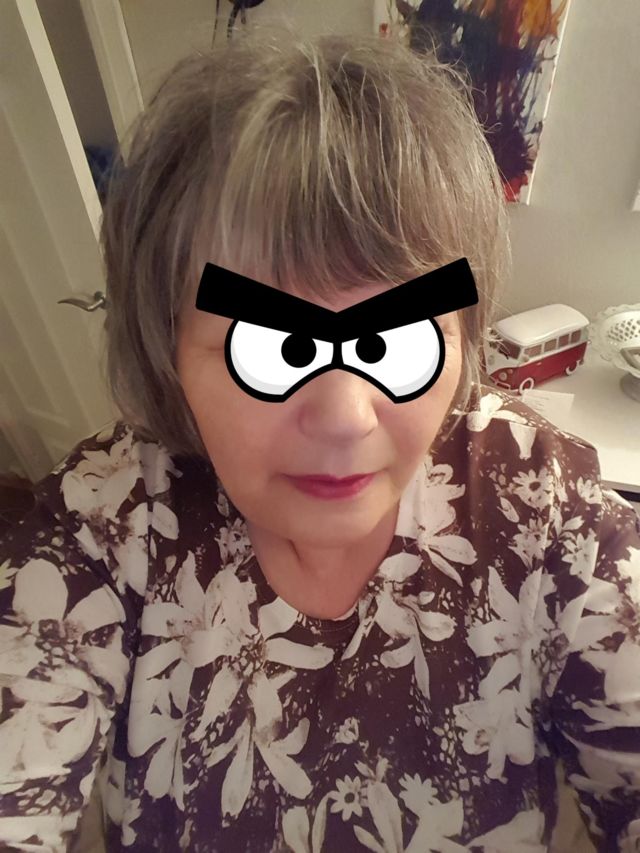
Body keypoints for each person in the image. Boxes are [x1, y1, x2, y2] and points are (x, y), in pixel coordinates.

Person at [1, 25, 639, 853]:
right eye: (274, 348)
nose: (345, 416)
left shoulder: (541, 505)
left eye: (394, 341)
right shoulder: (105, 524)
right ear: (167, 348)